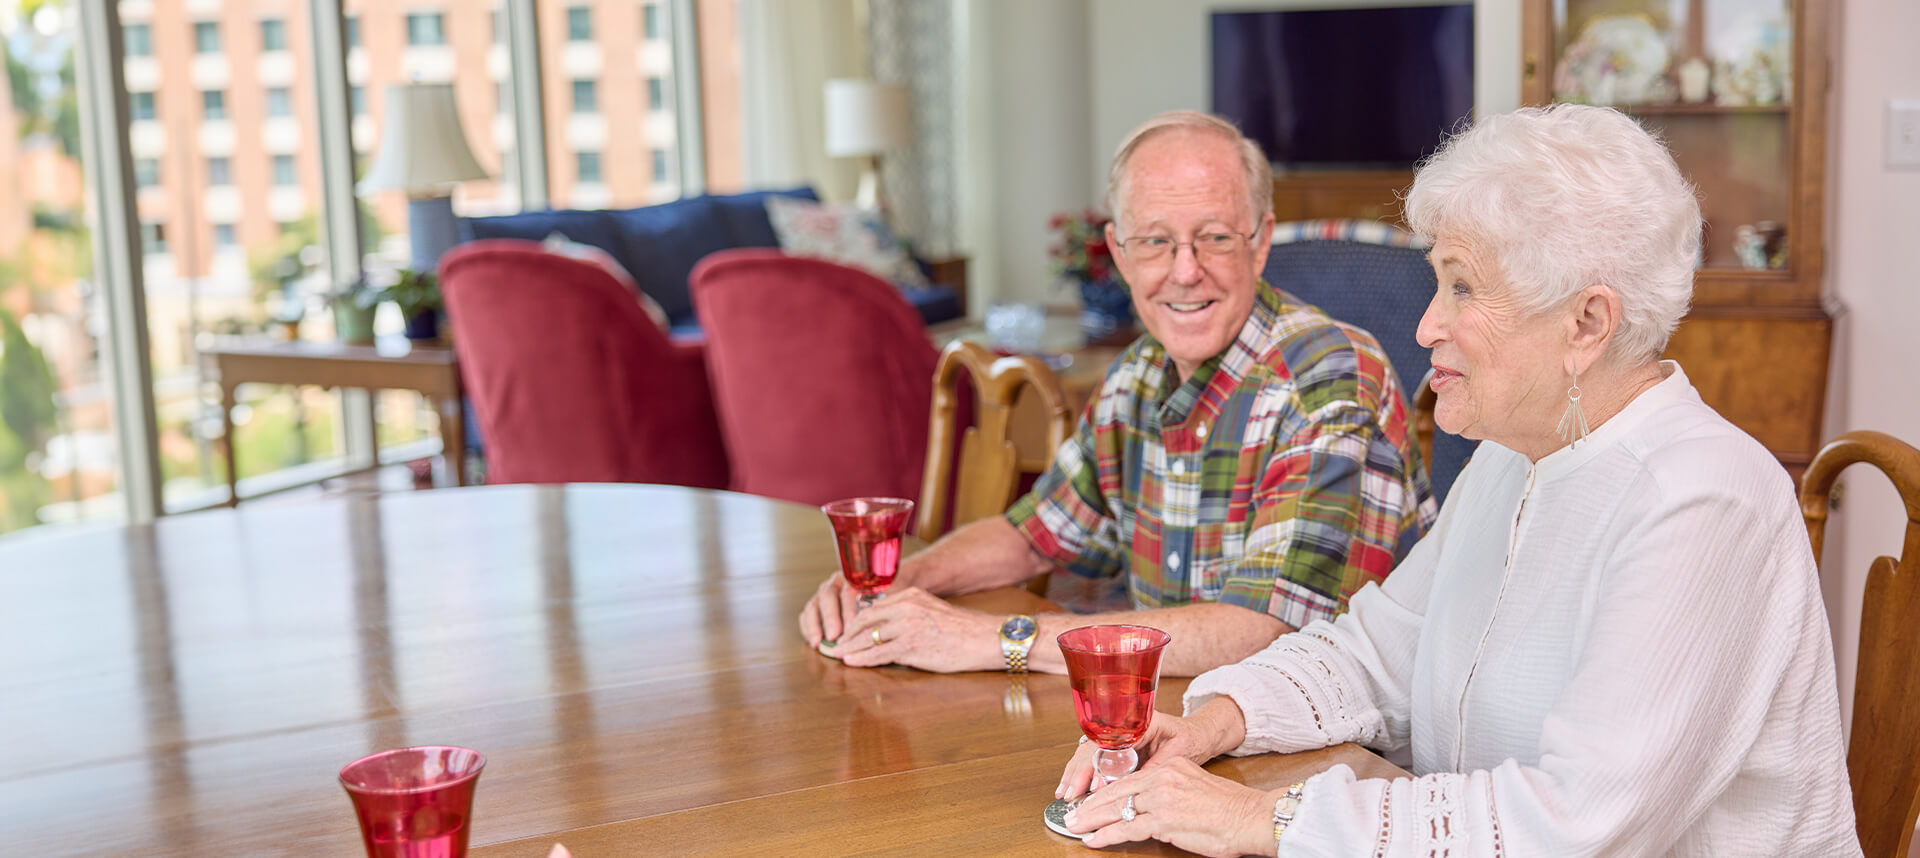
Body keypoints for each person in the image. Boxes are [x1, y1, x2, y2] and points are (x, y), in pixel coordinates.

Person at [1054, 104, 1861, 856]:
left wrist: (1260, 817)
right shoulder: (1514, 460)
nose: (1425, 325)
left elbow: (1571, 825)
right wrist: (1216, 719)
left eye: (1463, 287)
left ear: (1587, 323)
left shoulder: (1701, 502)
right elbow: (1374, 653)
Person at [799, 110, 1437, 677]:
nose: (1185, 271)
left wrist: (994, 638)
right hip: (1170, 729)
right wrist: (896, 584)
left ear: (1261, 241)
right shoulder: (1134, 377)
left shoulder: (1328, 380)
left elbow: (1260, 634)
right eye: (1156, 241)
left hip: (1326, 759)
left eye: (1215, 235)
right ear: (1120, 253)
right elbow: (1034, 534)